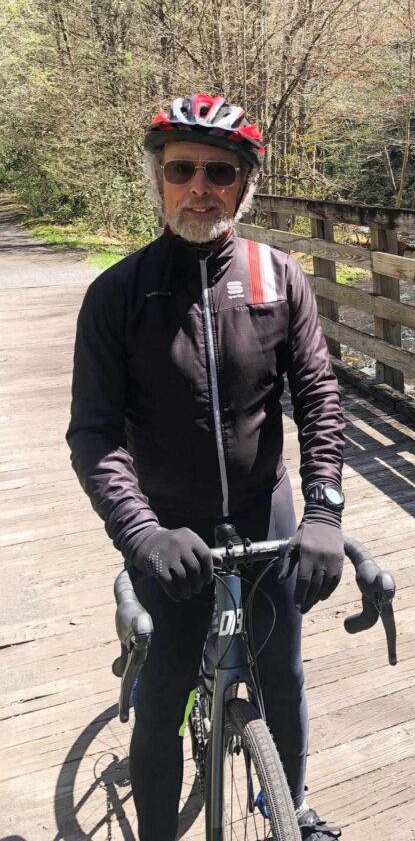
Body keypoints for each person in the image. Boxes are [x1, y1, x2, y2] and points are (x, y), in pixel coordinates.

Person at [67, 93, 346, 841]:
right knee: (163, 699)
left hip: (265, 511)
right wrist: (142, 533)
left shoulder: (278, 277)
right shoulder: (117, 294)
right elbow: (94, 435)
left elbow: (318, 397)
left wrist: (324, 511)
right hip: (167, 523)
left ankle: (289, 806)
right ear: (158, 179)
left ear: (244, 185)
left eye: (219, 172)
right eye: (181, 169)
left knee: (282, 677)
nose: (200, 187)